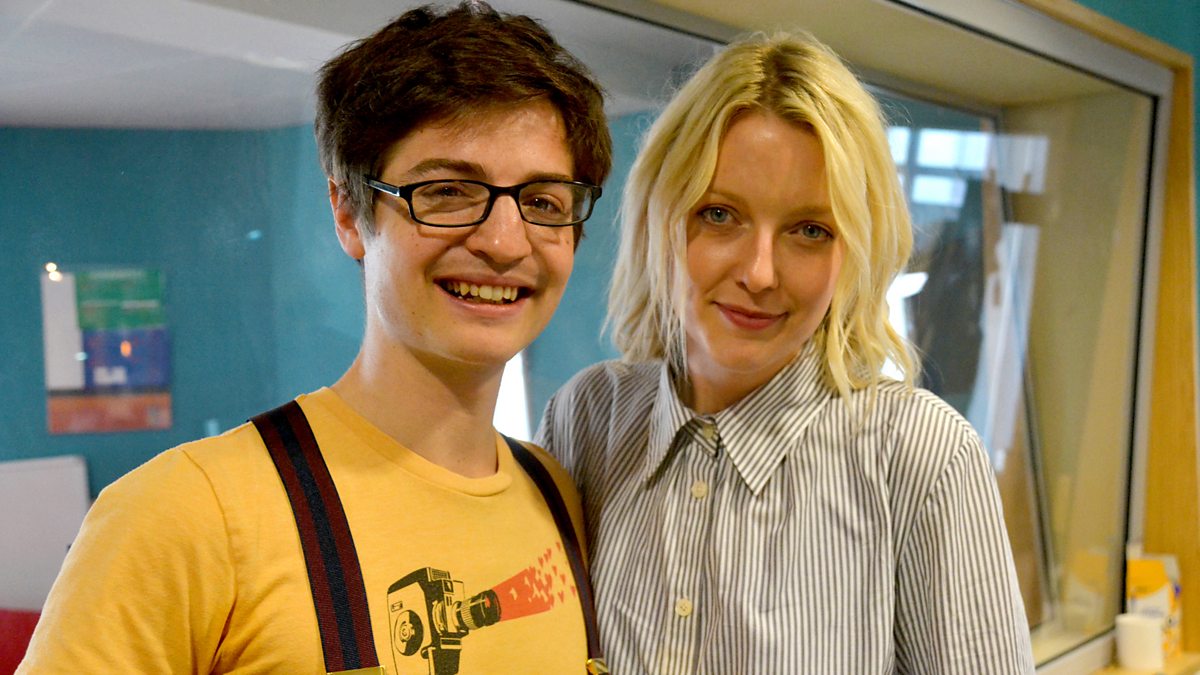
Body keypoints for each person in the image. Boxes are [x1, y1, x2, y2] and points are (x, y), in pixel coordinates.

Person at [20, 3, 611, 673]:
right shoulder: (184, 513)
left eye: (543, 202)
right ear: (349, 212)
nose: (504, 243)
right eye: (447, 191)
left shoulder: (560, 499)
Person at [537, 31, 1035, 673]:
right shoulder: (586, 419)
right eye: (720, 215)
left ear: (854, 252)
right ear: (660, 217)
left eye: (810, 230)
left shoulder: (920, 458)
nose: (760, 273)